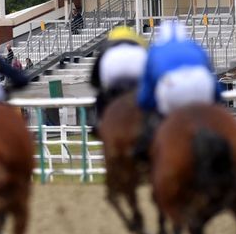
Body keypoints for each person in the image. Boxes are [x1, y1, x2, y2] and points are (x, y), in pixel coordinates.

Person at [134, 20, 222, 162]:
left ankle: (147, 151)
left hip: (171, 85)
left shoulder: (155, 50)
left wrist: (145, 105)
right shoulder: (195, 46)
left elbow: (147, 93)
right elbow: (212, 80)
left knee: (158, 121)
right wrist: (217, 101)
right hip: (201, 82)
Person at [89, 26, 147, 131]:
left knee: (101, 97)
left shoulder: (107, 45)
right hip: (137, 61)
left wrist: (102, 91)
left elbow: (94, 81)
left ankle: (99, 123)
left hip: (113, 65)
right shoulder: (139, 42)